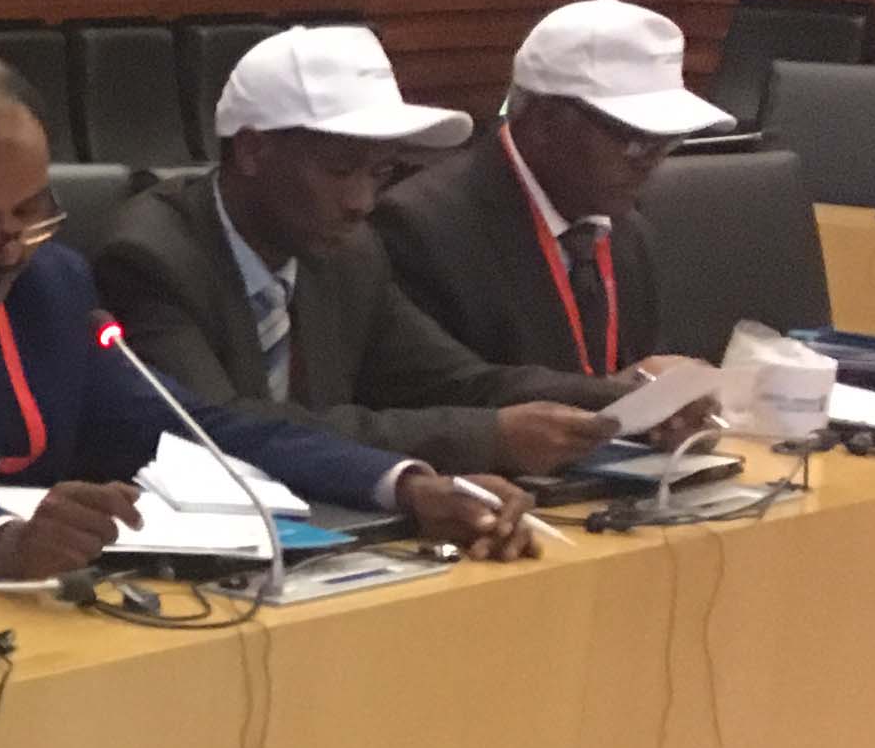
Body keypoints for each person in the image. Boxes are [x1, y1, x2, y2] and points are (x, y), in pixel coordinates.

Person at [0, 51, 536, 584]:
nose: (9, 251)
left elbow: (193, 429)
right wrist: (1, 545)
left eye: (32, 212)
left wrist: (407, 484)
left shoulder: (51, 285)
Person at [95, 25, 643, 480]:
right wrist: (482, 439)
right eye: (338, 169)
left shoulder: (351, 254)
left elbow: (456, 380)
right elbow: (220, 431)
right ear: (254, 150)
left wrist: (617, 401)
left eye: (380, 172)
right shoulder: (151, 259)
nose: (362, 202)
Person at [375, 0, 731, 378]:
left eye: (667, 142)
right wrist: (609, 399)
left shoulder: (630, 235)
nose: (651, 162)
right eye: (634, 141)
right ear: (544, 122)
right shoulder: (422, 229)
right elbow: (442, 397)